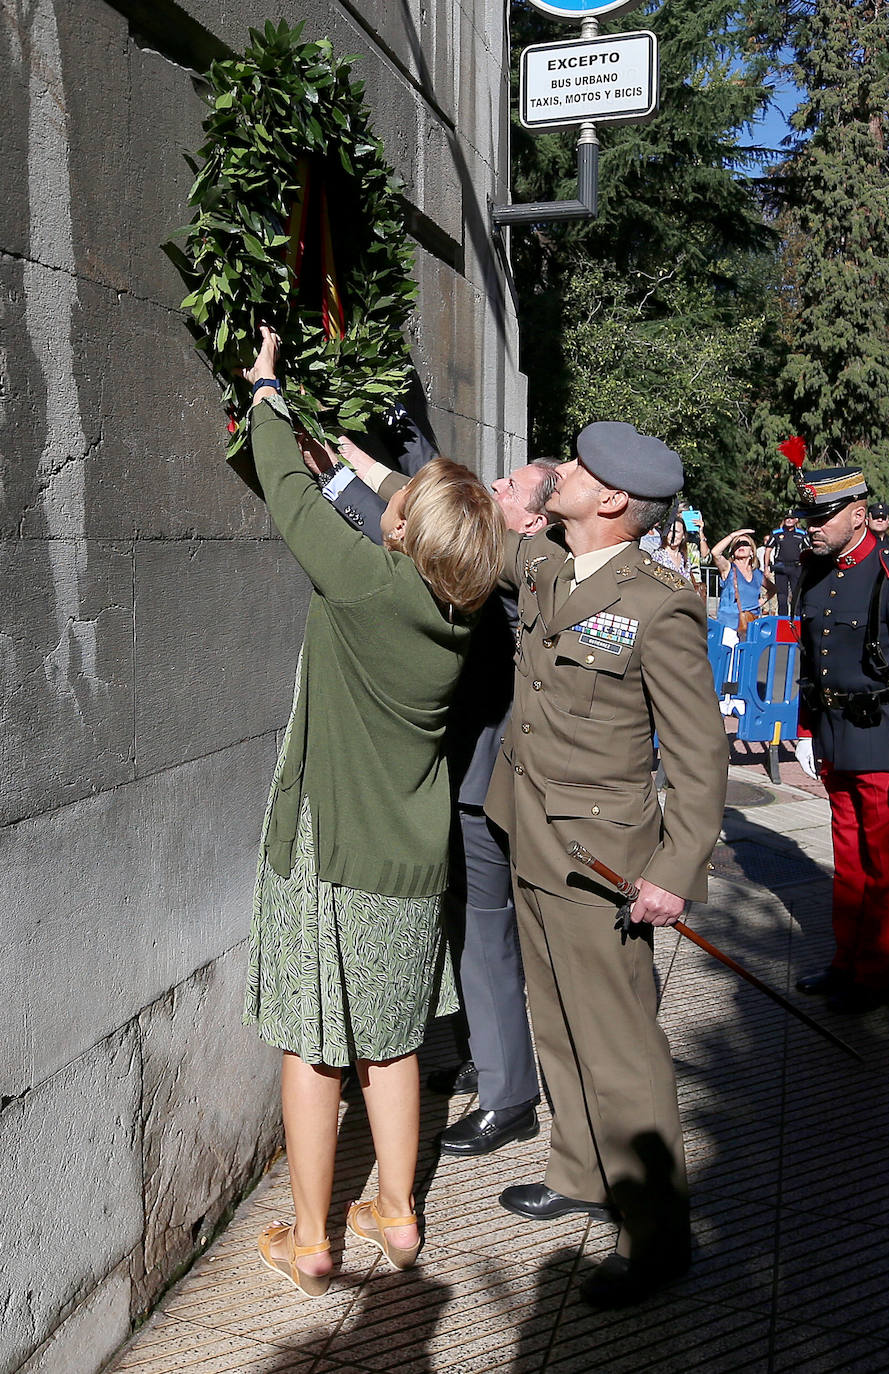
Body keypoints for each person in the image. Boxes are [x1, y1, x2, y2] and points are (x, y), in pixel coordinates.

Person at [239, 328, 505, 1295]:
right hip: (409, 856)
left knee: (315, 1047)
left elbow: (284, 495)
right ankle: (397, 1214)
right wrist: (352, 464)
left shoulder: (362, 586)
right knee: (392, 1042)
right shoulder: (458, 611)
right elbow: (398, 516)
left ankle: (311, 1238)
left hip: (331, 851)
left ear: (406, 536)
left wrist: (268, 391)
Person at [484, 421, 729, 1310]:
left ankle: (659, 1238)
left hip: (605, 863)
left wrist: (675, 868)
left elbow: (701, 755)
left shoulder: (659, 603)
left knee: (621, 1049)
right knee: (557, 1025)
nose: (564, 471)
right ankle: (581, 1172)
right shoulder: (549, 564)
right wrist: (349, 471)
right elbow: (463, 527)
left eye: (581, 469)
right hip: (535, 838)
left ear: (614, 500)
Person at [325, 438, 559, 1155]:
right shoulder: (505, 552)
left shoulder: (513, 575)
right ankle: (484, 1060)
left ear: (530, 525)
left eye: (511, 485)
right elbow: (430, 509)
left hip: (481, 788)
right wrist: (353, 467)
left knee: (485, 940)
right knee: (464, 933)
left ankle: (510, 1096)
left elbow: (432, 535)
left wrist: (337, 485)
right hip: (460, 779)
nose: (494, 483)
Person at [789, 462, 889, 1014]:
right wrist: (807, 729)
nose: (811, 524)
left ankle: (879, 979)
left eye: (822, 515)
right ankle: (847, 962)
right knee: (850, 864)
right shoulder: (816, 571)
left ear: (858, 515)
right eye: (807, 513)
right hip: (837, 740)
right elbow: (812, 659)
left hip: (887, 742)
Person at [704, 527, 775, 634]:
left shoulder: (757, 574)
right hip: (729, 625)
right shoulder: (728, 568)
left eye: (745, 544)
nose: (741, 546)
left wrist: (762, 601)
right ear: (732, 551)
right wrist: (733, 535)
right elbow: (715, 553)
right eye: (737, 544)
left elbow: (773, 588)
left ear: (752, 551)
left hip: (751, 623)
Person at [765, 514, 809, 614]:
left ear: (796, 520)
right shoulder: (776, 533)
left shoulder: (802, 534)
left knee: (797, 594)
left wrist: (808, 565)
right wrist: (766, 567)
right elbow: (768, 550)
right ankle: (782, 618)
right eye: (787, 518)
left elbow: (808, 549)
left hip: (796, 567)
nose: (789, 520)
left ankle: (797, 618)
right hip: (780, 567)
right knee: (781, 595)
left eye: (791, 518)